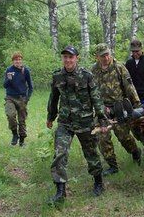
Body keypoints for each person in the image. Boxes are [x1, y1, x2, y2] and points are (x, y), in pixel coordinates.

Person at [46, 46, 108, 203]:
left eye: (70, 57)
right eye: (65, 57)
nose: (68, 60)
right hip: (65, 122)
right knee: (59, 154)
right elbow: (53, 98)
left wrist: (102, 120)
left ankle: (98, 182)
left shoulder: (86, 75)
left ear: (76, 58)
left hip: (84, 122)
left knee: (91, 153)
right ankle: (60, 191)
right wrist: (50, 117)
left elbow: (96, 98)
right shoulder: (57, 76)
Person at [92, 43, 143, 175]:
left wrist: (137, 105)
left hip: (119, 108)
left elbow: (129, 87)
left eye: (107, 54)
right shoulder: (94, 70)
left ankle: (135, 152)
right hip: (102, 109)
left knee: (123, 136)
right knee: (102, 138)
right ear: (97, 57)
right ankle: (112, 166)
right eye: (102, 56)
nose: (106, 58)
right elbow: (92, 91)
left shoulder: (119, 67)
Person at [3, 52, 33, 146]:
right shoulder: (9, 70)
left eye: (19, 59)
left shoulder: (25, 70)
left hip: (22, 98)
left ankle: (22, 140)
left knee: (22, 120)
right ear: (13, 61)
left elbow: (31, 86)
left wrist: (27, 98)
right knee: (10, 115)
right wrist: (9, 78)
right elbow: (5, 85)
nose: (18, 61)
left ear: (21, 60)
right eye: (16, 60)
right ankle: (15, 135)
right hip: (10, 97)